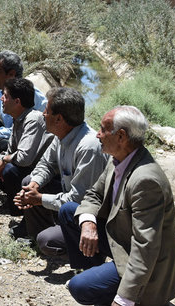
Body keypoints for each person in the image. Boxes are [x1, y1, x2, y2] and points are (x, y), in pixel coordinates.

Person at [58, 106, 175, 306]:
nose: (97, 134)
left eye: (103, 129)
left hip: (148, 270)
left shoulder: (146, 181)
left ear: (121, 136)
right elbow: (94, 194)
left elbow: (146, 247)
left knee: (80, 289)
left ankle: (132, 298)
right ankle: (96, 274)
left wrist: (125, 301)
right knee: (70, 212)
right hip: (122, 243)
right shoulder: (118, 158)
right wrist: (88, 223)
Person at [13, 87, 108, 256]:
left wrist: (39, 199)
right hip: (69, 201)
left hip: (89, 217)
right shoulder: (61, 136)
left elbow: (78, 201)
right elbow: (46, 165)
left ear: (59, 119)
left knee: (47, 241)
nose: (43, 114)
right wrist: (34, 186)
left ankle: (82, 249)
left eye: (47, 111)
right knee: (28, 181)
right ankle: (42, 234)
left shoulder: (88, 147)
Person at [0, 78, 53, 208]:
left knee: (9, 171)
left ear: (17, 102)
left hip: (42, 176)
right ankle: (15, 198)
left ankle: (18, 209)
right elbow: (8, 152)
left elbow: (24, 158)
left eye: (5, 96)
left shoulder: (33, 119)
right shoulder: (18, 120)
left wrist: (4, 160)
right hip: (28, 169)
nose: (1, 99)